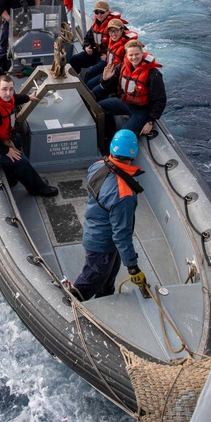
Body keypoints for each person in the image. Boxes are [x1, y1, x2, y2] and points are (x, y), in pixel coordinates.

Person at [70, 129, 149, 301]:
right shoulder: (124, 194)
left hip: (96, 231)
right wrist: (132, 267)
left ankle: (105, 300)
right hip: (102, 244)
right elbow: (121, 234)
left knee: (107, 277)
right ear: (133, 153)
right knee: (91, 279)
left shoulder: (98, 166)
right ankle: (71, 304)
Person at [0, 75, 59, 197]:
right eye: (4, 89)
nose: (8, 93)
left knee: (17, 139)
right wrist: (7, 151)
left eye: (11, 89)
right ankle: (38, 189)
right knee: (20, 161)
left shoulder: (3, 98)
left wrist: (28, 97)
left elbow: (14, 99)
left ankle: (11, 177)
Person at [98, 39, 165, 138]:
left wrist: (151, 121)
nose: (134, 57)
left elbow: (160, 100)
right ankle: (109, 136)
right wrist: (105, 79)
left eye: (137, 54)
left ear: (142, 53)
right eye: (131, 55)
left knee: (122, 136)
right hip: (125, 103)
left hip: (142, 111)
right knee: (98, 108)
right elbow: (108, 88)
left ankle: (117, 140)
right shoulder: (122, 66)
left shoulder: (153, 74)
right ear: (126, 55)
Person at [82, 18, 139, 96]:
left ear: (122, 30)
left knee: (94, 89)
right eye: (111, 31)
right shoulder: (112, 40)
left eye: (116, 31)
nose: (113, 34)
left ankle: (97, 105)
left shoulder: (128, 47)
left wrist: (109, 76)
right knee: (89, 78)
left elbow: (128, 66)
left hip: (117, 76)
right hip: (109, 68)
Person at [69, 0, 126, 74]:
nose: (99, 15)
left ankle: (86, 85)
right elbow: (87, 38)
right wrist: (86, 47)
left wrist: (108, 55)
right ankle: (75, 80)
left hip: (107, 58)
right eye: (97, 12)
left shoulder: (116, 26)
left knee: (90, 72)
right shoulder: (96, 24)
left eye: (102, 12)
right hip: (95, 53)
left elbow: (122, 45)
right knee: (75, 59)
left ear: (108, 12)